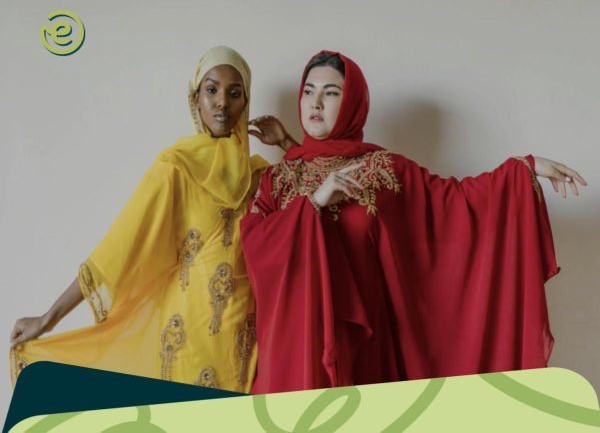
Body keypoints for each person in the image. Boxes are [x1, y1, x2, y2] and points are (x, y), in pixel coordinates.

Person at [241, 51, 587, 393]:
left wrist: (524, 169)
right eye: (308, 91)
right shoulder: (277, 179)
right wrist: (315, 202)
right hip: (297, 346)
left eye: (331, 93)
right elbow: (255, 245)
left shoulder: (383, 170)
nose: (316, 102)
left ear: (352, 104)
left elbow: (458, 204)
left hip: (368, 351)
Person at [9, 46, 295, 392]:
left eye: (234, 93)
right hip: (187, 327)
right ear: (195, 98)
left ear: (245, 102)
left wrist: (287, 142)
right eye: (211, 90)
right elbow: (119, 247)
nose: (222, 102)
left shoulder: (260, 175)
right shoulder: (176, 167)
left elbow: (317, 203)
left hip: (248, 331)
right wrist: (47, 319)